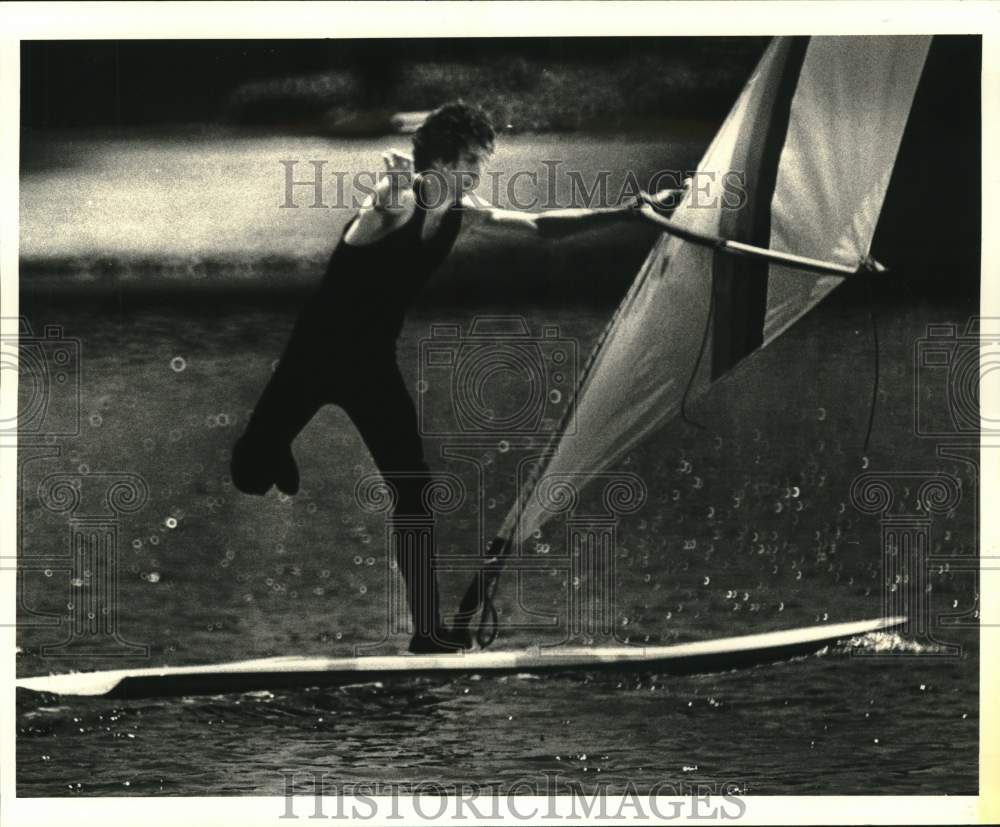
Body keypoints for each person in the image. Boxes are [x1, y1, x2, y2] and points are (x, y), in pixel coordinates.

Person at [231, 101, 677, 653]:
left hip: (371, 366)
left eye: (480, 162)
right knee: (249, 476)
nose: (476, 172)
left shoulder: (463, 209)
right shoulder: (395, 204)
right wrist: (394, 181)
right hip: (313, 358)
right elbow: (383, 204)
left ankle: (428, 633)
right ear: (439, 159)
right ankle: (272, 451)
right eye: (469, 160)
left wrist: (631, 211)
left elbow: (539, 226)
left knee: (413, 492)